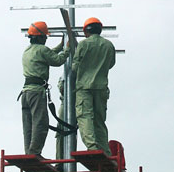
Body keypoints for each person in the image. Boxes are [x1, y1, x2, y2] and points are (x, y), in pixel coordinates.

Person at [21, 21, 69, 157]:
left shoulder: (28, 50)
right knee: (40, 123)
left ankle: (29, 153)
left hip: (26, 94)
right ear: (40, 37)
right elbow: (57, 60)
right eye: (45, 36)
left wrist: (61, 46)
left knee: (28, 125)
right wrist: (67, 50)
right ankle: (35, 152)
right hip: (36, 93)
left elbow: (48, 54)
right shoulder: (42, 50)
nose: (46, 39)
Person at [72, 17, 116, 156]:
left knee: (85, 117)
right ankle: (105, 151)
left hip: (84, 88)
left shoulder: (83, 45)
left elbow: (75, 67)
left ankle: (92, 148)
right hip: (101, 88)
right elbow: (111, 64)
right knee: (99, 121)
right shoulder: (109, 45)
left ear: (86, 31)